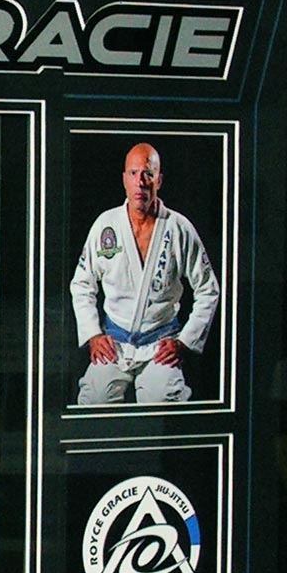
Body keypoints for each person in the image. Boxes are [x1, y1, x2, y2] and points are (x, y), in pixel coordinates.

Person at [70, 142, 219, 405]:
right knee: (94, 400)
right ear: (124, 179)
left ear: (159, 180)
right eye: (134, 173)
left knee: (165, 401)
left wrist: (184, 342)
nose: (140, 182)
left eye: (148, 174)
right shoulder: (106, 225)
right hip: (114, 343)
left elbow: (208, 290)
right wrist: (93, 334)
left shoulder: (178, 228)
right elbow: (82, 284)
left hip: (159, 344)